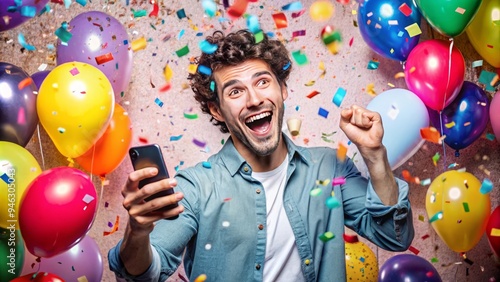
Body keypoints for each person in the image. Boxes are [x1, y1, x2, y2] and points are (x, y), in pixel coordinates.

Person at [108, 29, 414, 282]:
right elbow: (144, 272)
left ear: (282, 89)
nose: (254, 100)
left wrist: (374, 153)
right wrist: (138, 231)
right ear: (217, 109)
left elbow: (394, 236)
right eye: (235, 91)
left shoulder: (329, 166)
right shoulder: (195, 188)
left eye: (262, 82)